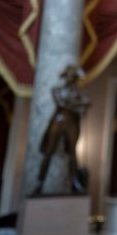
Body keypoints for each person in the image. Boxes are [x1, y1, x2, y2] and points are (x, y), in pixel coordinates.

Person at [33, 65, 90, 195]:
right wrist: (78, 104)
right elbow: (62, 103)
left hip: (71, 123)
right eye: (70, 75)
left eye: (73, 76)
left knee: (73, 154)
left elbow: (86, 104)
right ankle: (39, 183)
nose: (72, 78)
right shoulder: (57, 90)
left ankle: (75, 183)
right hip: (58, 121)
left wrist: (78, 105)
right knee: (49, 152)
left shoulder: (78, 93)